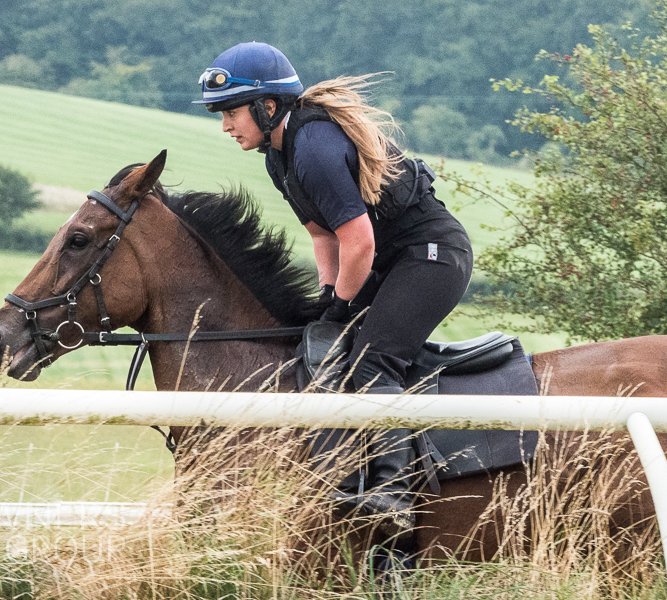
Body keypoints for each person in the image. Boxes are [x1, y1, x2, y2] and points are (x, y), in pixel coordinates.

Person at [194, 42, 473, 541]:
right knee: (324, 350)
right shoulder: (277, 158)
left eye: (232, 111)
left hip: (429, 257)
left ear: (268, 106)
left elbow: (358, 240)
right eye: (222, 114)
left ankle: (391, 491)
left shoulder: (315, 148)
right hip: (382, 260)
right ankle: (344, 474)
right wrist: (328, 300)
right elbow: (323, 235)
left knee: (369, 362)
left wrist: (342, 304)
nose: (226, 126)